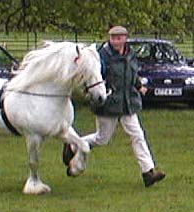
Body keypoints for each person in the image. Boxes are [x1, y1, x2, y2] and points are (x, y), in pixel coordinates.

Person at [63, 26, 165, 187]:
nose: (116, 41)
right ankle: (74, 144)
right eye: (113, 38)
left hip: (128, 103)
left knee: (138, 135)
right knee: (102, 139)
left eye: (119, 38)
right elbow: (93, 77)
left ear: (125, 38)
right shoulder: (102, 56)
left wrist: (139, 86)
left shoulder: (130, 54)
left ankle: (148, 172)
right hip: (108, 104)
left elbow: (131, 73)